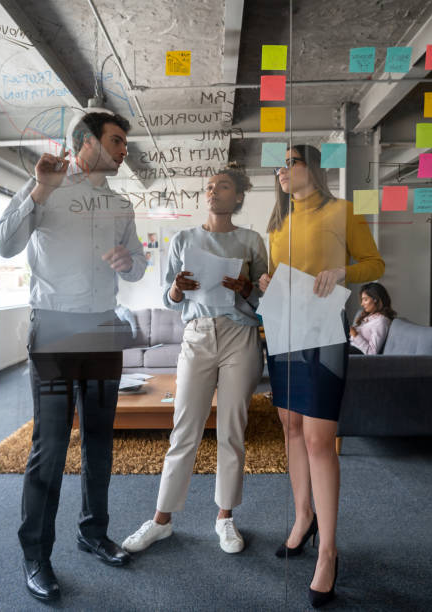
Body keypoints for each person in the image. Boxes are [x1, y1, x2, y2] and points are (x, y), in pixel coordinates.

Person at [0, 110, 145, 602]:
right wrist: (37, 190)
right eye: (117, 140)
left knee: (100, 440)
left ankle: (93, 532)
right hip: (55, 328)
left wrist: (129, 263)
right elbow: (4, 243)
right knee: (52, 445)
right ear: (87, 142)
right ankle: (36, 555)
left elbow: (138, 265)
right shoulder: (47, 185)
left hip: (103, 326)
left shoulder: (120, 203)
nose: (125, 149)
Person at [258, 145, 384, 608]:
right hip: (283, 328)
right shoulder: (277, 222)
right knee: (291, 426)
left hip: (324, 328)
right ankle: (302, 517)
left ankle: (328, 550)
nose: (282, 170)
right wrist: (267, 282)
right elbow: (272, 274)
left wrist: (342, 271)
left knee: (318, 438)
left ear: (311, 166)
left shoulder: (342, 211)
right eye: (279, 165)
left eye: (289, 161)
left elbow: (374, 265)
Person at [122, 163, 267, 555]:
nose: (213, 191)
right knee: (184, 428)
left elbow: (264, 299)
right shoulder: (184, 238)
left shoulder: (252, 240)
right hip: (198, 334)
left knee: (232, 430)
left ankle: (225, 518)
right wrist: (175, 289)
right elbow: (168, 297)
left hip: (240, 335)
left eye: (222, 186)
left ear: (238, 196)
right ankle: (161, 520)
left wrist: (247, 287)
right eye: (209, 186)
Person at [349, 282, 396, 355]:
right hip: (350, 346)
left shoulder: (381, 321)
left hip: (356, 354)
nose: (362, 304)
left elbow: (372, 352)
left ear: (375, 299)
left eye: (365, 299)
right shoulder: (370, 316)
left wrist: (355, 335)